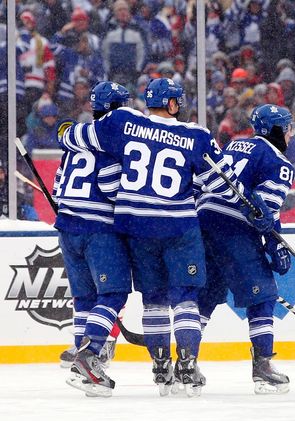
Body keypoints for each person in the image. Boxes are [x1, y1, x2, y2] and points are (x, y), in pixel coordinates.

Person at [60, 78, 265, 397]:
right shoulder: (196, 134)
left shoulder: (124, 122)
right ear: (172, 104)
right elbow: (222, 187)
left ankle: (160, 366)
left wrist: (67, 132)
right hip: (177, 229)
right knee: (185, 297)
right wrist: (252, 205)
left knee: (153, 299)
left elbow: (73, 137)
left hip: (137, 228)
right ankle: (186, 365)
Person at [195, 104, 295, 395]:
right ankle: (263, 365)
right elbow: (265, 211)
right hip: (233, 229)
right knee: (263, 295)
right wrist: (276, 245)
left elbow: (205, 182)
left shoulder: (235, 143)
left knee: (208, 294)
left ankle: (186, 362)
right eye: (288, 127)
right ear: (276, 129)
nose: (291, 133)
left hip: (202, 222)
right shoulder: (278, 161)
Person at [56, 81, 133, 396]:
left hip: (67, 226)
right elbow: (110, 185)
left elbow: (60, 182)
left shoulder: (76, 139)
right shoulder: (110, 138)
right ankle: (91, 354)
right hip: (97, 228)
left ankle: (82, 361)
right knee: (114, 294)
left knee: (85, 298)